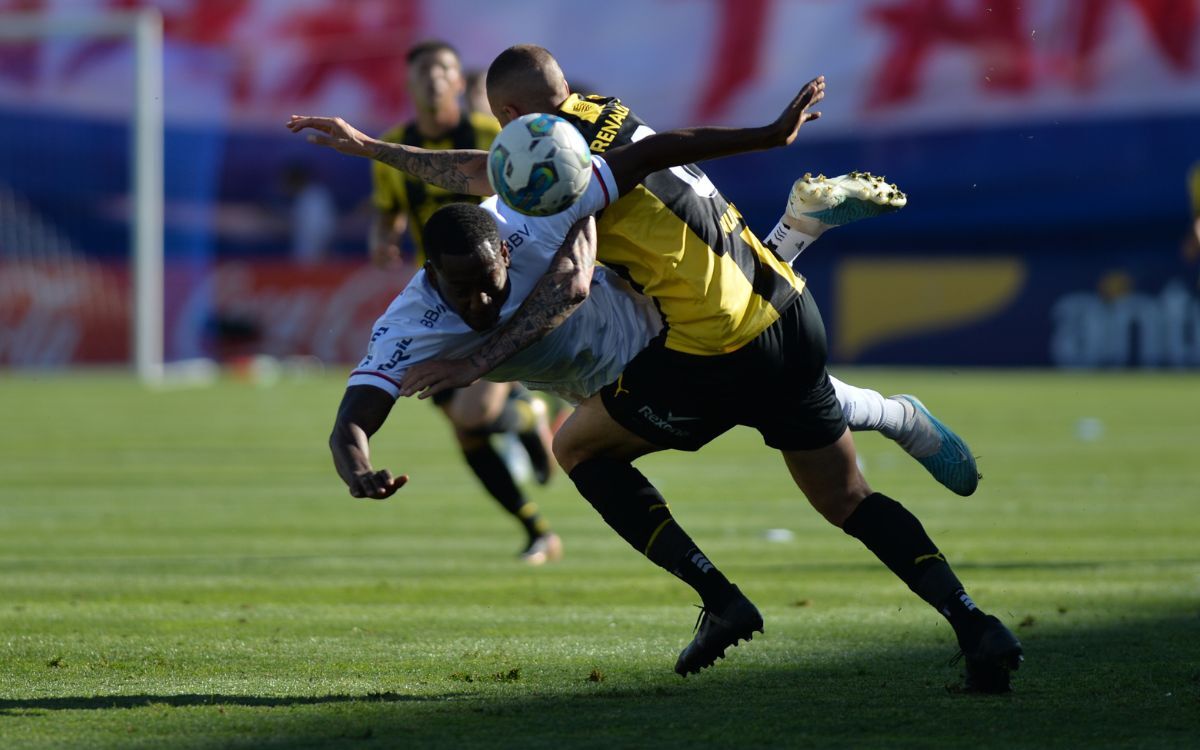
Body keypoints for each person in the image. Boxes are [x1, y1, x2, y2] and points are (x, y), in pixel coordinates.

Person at [290, 72, 1019, 694]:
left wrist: (475, 361)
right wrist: (357, 468)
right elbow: (355, 412)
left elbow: (574, 279)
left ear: (511, 113)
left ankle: (721, 597)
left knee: (577, 449)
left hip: (673, 345)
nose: (483, 302)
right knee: (838, 489)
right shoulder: (435, 292)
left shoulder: (545, 201)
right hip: (774, 312)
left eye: (492, 284)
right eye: (466, 293)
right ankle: (972, 617)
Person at [371, 40, 561, 565]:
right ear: (409, 84)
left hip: (498, 294)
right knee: (466, 427)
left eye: (444, 70)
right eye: (423, 70)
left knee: (475, 413)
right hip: (440, 305)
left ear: (460, 83)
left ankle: (526, 416)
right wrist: (383, 236)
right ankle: (536, 523)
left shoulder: (489, 137)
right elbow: (391, 209)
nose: (434, 79)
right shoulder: (393, 149)